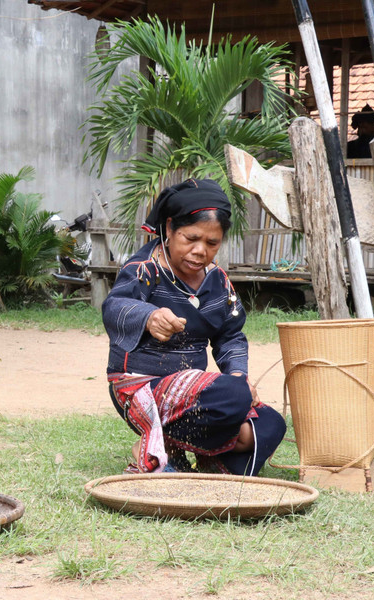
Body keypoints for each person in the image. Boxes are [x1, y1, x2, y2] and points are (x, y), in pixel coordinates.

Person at [102, 178, 285, 476]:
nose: (201, 251)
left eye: (212, 243)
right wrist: (149, 316)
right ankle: (155, 448)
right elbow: (115, 306)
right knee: (233, 396)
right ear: (170, 228)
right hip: (140, 389)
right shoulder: (144, 269)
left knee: (270, 423)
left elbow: (231, 335)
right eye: (191, 239)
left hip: (194, 396)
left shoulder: (218, 281)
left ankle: (189, 459)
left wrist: (238, 374)